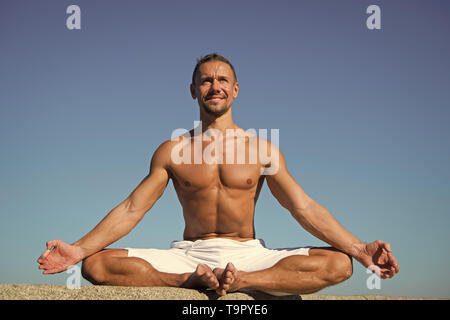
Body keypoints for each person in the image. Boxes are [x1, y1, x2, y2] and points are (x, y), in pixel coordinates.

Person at [37, 53, 399, 296]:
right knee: (97, 264)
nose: (215, 86)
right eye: (206, 80)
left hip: (249, 255)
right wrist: (78, 250)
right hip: (189, 255)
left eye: (223, 80)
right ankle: (188, 282)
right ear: (194, 91)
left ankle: (242, 282)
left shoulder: (262, 150)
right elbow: (133, 208)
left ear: (235, 90)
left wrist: (358, 248)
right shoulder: (172, 150)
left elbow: (302, 207)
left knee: (339, 264)